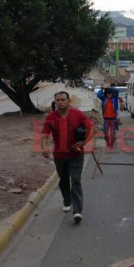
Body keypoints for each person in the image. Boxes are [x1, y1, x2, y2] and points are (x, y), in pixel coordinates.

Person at [41, 91, 94, 224]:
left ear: (69, 101)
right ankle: (66, 199)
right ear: (55, 102)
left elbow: (91, 128)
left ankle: (77, 211)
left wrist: (84, 142)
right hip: (59, 155)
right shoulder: (51, 117)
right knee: (64, 179)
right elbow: (45, 134)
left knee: (76, 181)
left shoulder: (78, 114)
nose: (60, 102)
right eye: (57, 100)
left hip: (76, 153)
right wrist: (44, 147)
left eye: (63, 100)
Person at [97, 84, 119, 149]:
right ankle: (107, 143)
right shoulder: (104, 99)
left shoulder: (115, 99)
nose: (109, 95)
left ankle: (111, 145)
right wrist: (102, 89)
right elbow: (98, 95)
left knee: (112, 133)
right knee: (105, 133)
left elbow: (116, 90)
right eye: (108, 94)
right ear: (106, 94)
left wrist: (109, 87)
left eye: (110, 94)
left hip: (113, 119)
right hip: (106, 119)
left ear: (112, 94)